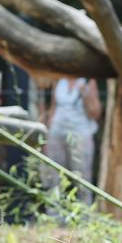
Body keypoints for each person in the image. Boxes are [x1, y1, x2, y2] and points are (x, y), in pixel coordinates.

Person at [42, 76, 102, 204]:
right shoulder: (58, 79)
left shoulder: (88, 80)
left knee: (82, 178)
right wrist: (47, 136)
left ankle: (85, 216)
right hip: (56, 133)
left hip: (80, 133)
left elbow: (95, 113)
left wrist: (85, 95)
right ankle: (53, 215)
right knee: (54, 175)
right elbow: (53, 109)